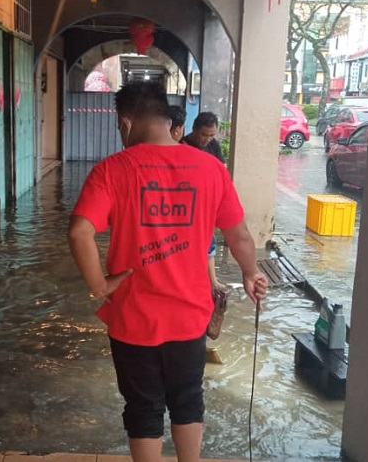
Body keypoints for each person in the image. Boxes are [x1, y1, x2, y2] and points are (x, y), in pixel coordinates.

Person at [68, 81, 268, 462]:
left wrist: (99, 285)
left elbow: (79, 232)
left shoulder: (112, 169)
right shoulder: (210, 167)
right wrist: (250, 272)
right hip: (190, 315)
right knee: (188, 398)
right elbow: (239, 234)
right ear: (167, 118)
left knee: (144, 407)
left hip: (133, 316)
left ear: (125, 122)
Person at [181, 112, 227, 291]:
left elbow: (221, 171)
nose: (207, 139)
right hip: (186, 206)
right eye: (204, 135)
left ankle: (212, 281)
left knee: (209, 242)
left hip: (206, 203)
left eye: (211, 135)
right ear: (194, 129)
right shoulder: (182, 146)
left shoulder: (213, 145)